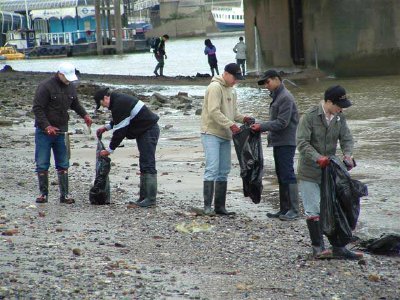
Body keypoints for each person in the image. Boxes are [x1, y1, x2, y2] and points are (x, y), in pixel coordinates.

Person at [296, 85, 363, 259]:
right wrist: (318, 157)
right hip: (310, 171)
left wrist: (348, 155)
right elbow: (302, 143)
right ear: (328, 102)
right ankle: (318, 248)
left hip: (330, 171)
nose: (341, 109)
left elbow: (346, 138)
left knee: (335, 208)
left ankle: (339, 248)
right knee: (314, 209)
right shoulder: (309, 117)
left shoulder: (340, 117)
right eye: (339, 105)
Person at [33, 62, 93, 204]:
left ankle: (64, 195)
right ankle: (43, 194)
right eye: (66, 77)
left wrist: (85, 115)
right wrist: (47, 126)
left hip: (62, 130)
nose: (68, 81)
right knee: (42, 163)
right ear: (59, 74)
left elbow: (75, 104)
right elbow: (37, 109)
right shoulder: (45, 87)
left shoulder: (71, 87)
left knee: (63, 163)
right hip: (44, 132)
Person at [200, 63, 254, 215]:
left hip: (225, 134)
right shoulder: (215, 87)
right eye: (234, 78)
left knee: (224, 170)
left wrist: (244, 118)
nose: (235, 81)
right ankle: (207, 207)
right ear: (226, 74)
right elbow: (213, 111)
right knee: (212, 168)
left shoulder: (232, 91)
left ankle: (220, 207)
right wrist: (231, 125)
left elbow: (233, 113)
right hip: (210, 132)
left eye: (237, 78)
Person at [94, 87, 160, 208]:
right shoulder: (118, 100)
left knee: (148, 163)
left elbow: (120, 131)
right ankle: (143, 197)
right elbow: (121, 119)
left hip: (149, 130)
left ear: (105, 98)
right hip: (144, 130)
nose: (103, 107)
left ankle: (150, 199)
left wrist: (109, 150)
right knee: (143, 163)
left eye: (101, 104)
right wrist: (106, 127)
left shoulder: (118, 103)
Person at [250, 70, 299, 221]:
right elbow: (278, 122)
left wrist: (261, 126)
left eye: (267, 82)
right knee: (281, 174)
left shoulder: (285, 97)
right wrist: (265, 128)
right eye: (264, 83)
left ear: (277, 79)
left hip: (286, 142)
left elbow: (282, 122)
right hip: (279, 141)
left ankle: (294, 210)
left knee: (287, 174)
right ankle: (284, 209)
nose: (266, 85)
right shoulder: (278, 96)